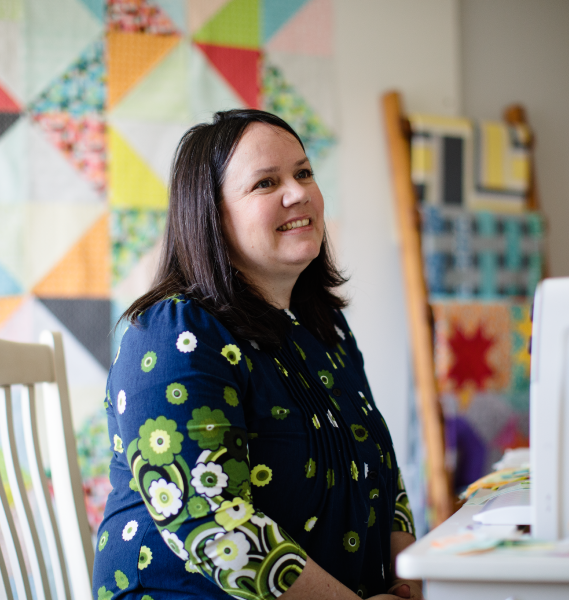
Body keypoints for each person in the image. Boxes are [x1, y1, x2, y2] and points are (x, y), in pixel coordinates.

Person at [92, 109, 422, 600]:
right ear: (211, 215)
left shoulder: (325, 328)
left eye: (304, 173)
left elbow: (383, 476)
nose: (298, 193)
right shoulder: (174, 333)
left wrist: (411, 583)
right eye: (266, 183)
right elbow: (208, 518)